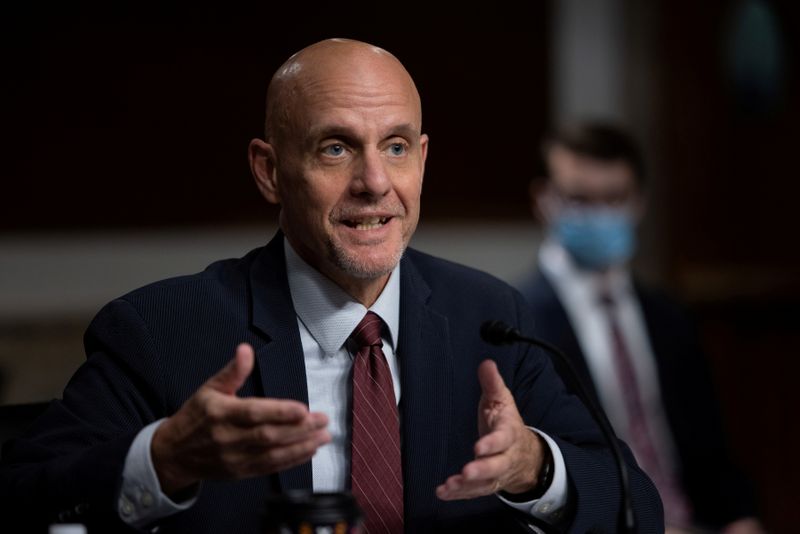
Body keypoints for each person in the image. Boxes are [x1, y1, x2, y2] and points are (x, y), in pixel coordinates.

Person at [0, 40, 663, 533]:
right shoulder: (161, 331)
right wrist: (162, 459)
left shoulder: (489, 318)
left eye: (396, 147)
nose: (375, 182)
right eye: (336, 149)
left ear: (422, 162)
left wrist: (534, 469)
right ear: (268, 171)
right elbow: (24, 490)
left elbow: (635, 504)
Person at [518, 122, 766, 533]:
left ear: (640, 203)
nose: (600, 214)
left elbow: (711, 454)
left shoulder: (668, 315)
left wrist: (741, 520)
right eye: (581, 199)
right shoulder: (517, 320)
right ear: (543, 200)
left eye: (614, 199)